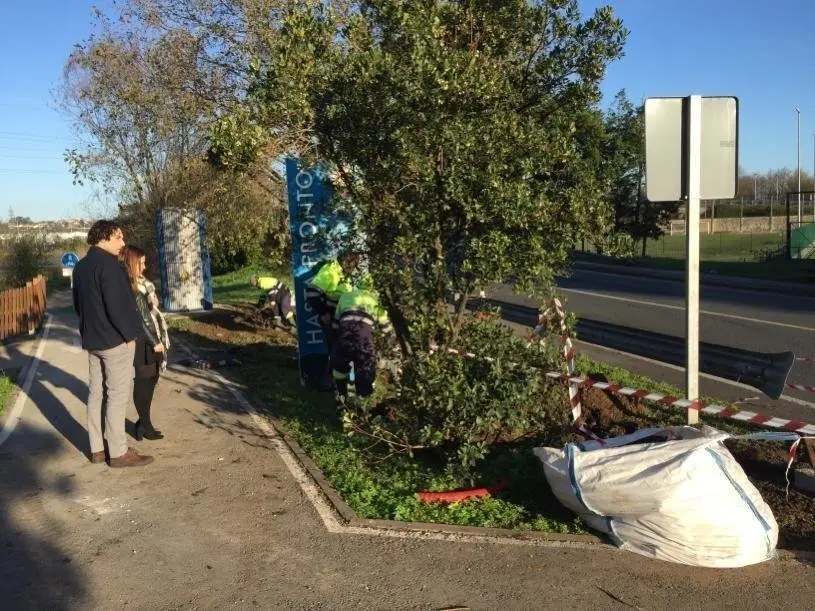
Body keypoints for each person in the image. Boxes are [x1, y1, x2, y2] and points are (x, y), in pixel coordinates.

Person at [72, 220, 153, 467]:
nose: (123, 243)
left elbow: (78, 305)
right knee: (117, 396)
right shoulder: (111, 267)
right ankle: (118, 452)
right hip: (115, 341)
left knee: (96, 394)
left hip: (92, 340)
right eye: (118, 238)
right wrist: (130, 336)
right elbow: (117, 307)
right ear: (104, 237)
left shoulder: (81, 267)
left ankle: (97, 449)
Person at [121, 245, 168, 440]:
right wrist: (154, 341)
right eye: (140, 263)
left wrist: (152, 302)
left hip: (151, 336)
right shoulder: (128, 286)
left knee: (151, 379)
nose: (144, 267)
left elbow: (146, 312)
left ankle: (143, 422)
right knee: (143, 381)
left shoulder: (143, 284)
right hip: (143, 341)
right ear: (131, 263)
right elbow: (139, 319)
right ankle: (145, 425)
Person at [331, 279, 392, 403]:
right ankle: (362, 403)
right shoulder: (375, 300)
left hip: (345, 337)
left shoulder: (345, 296)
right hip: (364, 340)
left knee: (339, 368)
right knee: (365, 370)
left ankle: (341, 396)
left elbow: (335, 324)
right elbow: (386, 328)